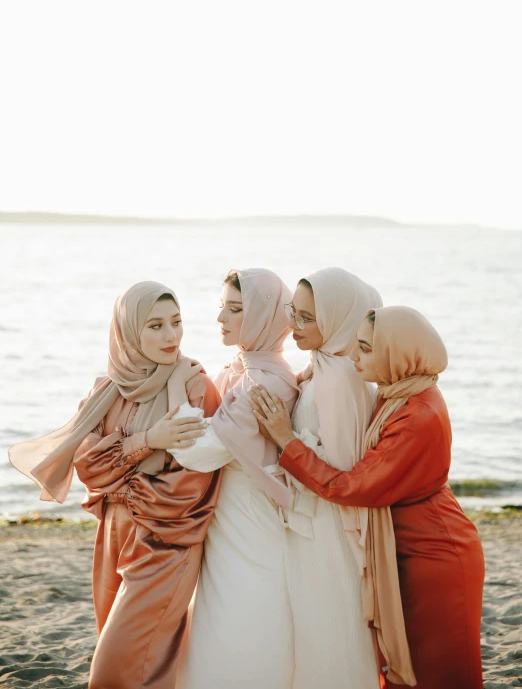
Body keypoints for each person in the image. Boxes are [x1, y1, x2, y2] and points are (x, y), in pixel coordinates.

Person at [252, 305, 485, 689]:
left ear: (395, 353)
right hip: (412, 545)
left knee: (440, 669)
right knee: (409, 664)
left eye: (365, 349)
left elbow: (352, 487)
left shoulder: (418, 415)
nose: (354, 356)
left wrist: (285, 440)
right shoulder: (402, 391)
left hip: (436, 554)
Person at [9, 281, 222, 689]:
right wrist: (150, 441)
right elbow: (89, 466)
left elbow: (194, 482)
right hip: (111, 535)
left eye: (176, 323)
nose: (171, 336)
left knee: (116, 666)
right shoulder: (105, 390)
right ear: (128, 331)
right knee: (136, 657)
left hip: (164, 539)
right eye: (156, 325)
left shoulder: (194, 384)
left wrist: (124, 472)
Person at [251, 267, 382, 689]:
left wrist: (285, 438)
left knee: (332, 639)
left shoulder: (341, 377)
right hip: (308, 527)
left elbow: (345, 474)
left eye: (308, 317)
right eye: (295, 312)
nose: (294, 324)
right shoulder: (323, 369)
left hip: (328, 531)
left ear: (340, 319)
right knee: (314, 636)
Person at [171, 269, 299, 689]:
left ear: (264, 316)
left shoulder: (264, 381)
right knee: (222, 613)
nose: (221, 317)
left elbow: (203, 452)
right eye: (221, 306)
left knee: (242, 614)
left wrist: (166, 416)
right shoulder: (248, 369)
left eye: (237, 309)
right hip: (232, 512)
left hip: (248, 517)